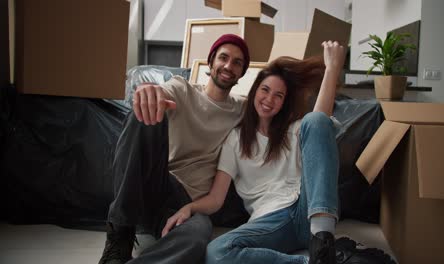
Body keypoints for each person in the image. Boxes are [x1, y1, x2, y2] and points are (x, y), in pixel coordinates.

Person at [162, 40, 346, 264]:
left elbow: (320, 122)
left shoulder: (293, 130)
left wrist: (332, 68)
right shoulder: (235, 139)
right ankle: (317, 261)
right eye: (265, 90)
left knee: (317, 120)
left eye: (278, 96)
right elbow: (216, 199)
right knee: (217, 253)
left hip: (308, 209)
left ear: (284, 102)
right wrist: (189, 207)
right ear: (254, 91)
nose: (269, 100)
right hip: (271, 221)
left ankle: (322, 238)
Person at [98, 34, 251, 264]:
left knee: (198, 237)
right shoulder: (182, 89)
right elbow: (160, 93)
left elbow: (279, 109)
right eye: (223, 58)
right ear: (211, 62)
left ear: (242, 73)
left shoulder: (243, 109)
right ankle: (120, 235)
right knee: (146, 114)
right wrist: (150, 93)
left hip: (190, 205)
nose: (229, 66)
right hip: (157, 182)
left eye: (237, 62)